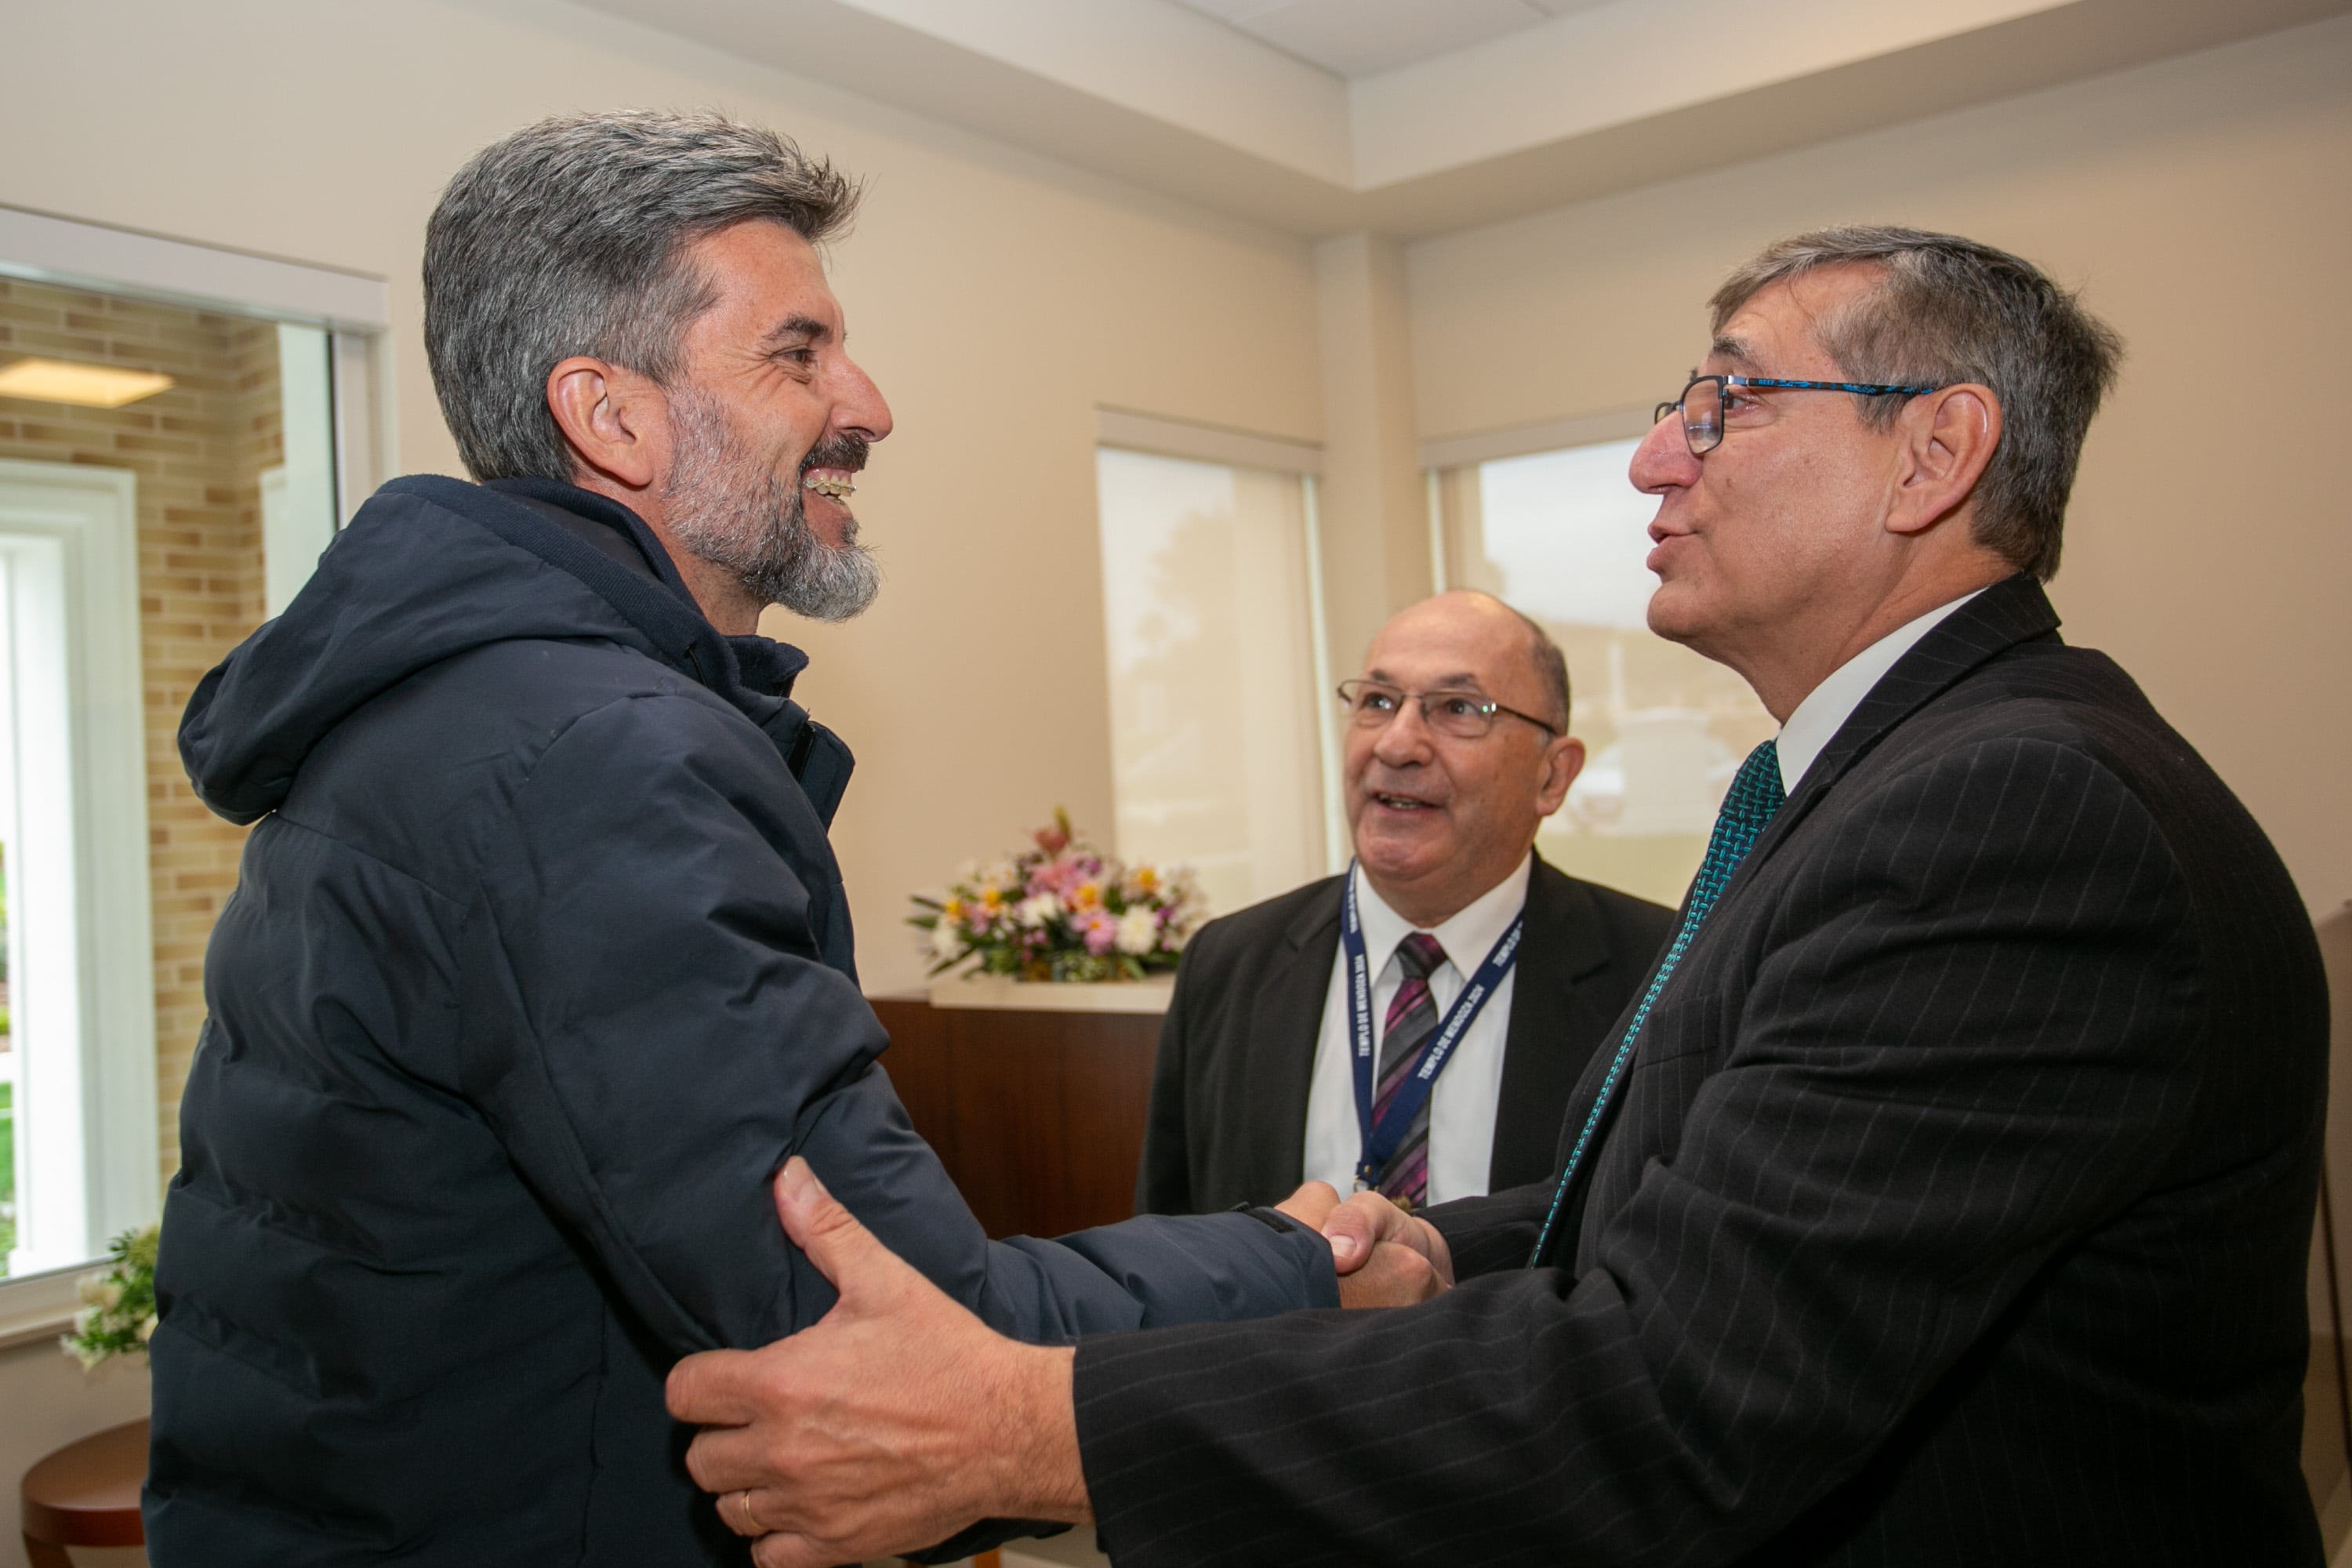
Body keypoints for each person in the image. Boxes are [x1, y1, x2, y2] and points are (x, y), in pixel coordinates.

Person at [666, 226, 2329, 1567]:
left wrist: (1025, 1425)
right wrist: (1431, 1254)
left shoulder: (2010, 811)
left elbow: (1681, 1391)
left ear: (1936, 454)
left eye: (1728, 400)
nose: (1651, 461)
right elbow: (1716, 1211)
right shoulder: (1914, 781)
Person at [143, 111, 1351, 1567]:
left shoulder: (458, 711)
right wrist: (1299, 1267)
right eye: (799, 352)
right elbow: (889, 1336)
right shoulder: (591, 763)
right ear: (613, 415)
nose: (872, 405)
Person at [1137, 590, 1672, 1216]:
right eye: (1378, 702)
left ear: (1552, 776)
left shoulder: (1658, 975)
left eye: (1458, 709)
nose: (1397, 744)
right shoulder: (1229, 964)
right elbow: (1170, 1247)